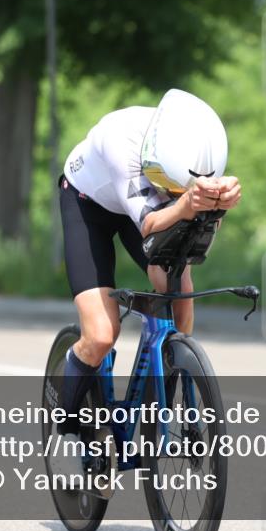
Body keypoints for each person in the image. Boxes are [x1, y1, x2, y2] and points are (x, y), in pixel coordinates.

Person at [51, 89, 241, 478]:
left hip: (146, 203)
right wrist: (186, 204)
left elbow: (192, 230)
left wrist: (217, 206)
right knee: (103, 333)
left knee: (179, 293)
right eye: (171, 185)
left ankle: (169, 370)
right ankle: (67, 420)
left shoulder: (196, 146)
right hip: (90, 204)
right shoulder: (121, 142)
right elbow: (151, 224)